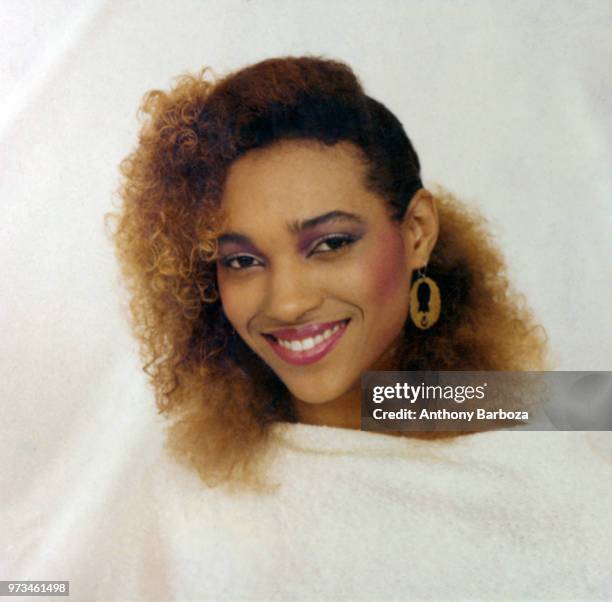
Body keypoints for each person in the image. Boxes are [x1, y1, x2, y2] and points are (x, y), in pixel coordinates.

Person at [106, 56, 611, 600]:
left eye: (330, 244)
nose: (289, 302)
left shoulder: (527, 426)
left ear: (416, 232)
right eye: (242, 261)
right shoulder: (190, 484)